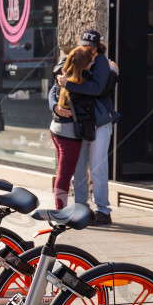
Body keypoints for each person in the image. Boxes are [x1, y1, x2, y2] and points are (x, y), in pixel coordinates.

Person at [56, 29, 120, 226]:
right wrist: (55, 106)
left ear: (98, 47)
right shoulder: (72, 57)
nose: (89, 50)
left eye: (92, 47)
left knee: (99, 168)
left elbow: (97, 89)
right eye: (85, 45)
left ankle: (103, 211)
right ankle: (81, 208)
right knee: (79, 169)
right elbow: (55, 86)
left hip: (99, 122)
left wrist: (69, 84)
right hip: (78, 124)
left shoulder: (101, 61)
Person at [47, 46, 95, 209]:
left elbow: (53, 90)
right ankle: (60, 211)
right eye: (89, 62)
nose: (92, 64)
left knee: (63, 173)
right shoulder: (78, 84)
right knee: (65, 175)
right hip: (68, 135)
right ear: (82, 66)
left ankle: (65, 208)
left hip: (57, 130)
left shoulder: (64, 76)